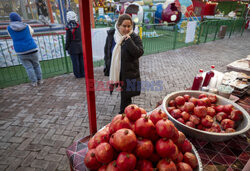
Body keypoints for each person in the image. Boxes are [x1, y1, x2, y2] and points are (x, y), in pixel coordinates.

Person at [104, 14, 144, 114]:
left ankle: (125, 114)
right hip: (117, 70)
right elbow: (107, 51)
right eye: (124, 26)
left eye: (129, 26)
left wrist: (129, 41)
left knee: (126, 95)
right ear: (118, 25)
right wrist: (107, 65)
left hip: (129, 72)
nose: (126, 29)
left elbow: (139, 52)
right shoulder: (112, 35)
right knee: (123, 91)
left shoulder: (134, 37)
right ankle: (126, 112)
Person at [7, 12, 43, 87]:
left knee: (29, 68)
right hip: (32, 48)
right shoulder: (26, 26)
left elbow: (11, 36)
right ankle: (40, 80)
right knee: (36, 65)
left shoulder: (9, 28)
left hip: (21, 51)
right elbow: (31, 32)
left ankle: (34, 82)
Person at [65, 11, 85, 78]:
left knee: (75, 62)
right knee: (81, 61)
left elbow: (68, 39)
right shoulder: (79, 26)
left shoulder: (69, 27)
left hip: (73, 47)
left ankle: (78, 74)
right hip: (81, 46)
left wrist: (66, 47)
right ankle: (83, 73)